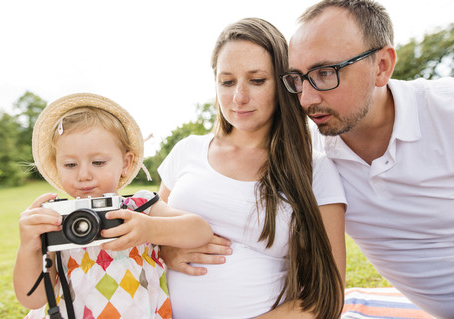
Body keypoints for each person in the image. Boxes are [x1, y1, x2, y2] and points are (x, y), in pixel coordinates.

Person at [158, 18, 347, 319]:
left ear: (284, 84)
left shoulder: (314, 169)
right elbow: (152, 233)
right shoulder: (187, 151)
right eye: (228, 81)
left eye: (257, 81)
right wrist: (165, 251)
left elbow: (329, 297)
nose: (239, 98)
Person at [280, 1, 454, 318]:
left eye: (325, 72)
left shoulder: (446, 111)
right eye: (298, 78)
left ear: (382, 66)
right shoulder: (310, 155)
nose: (306, 98)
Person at [13, 93, 213, 319]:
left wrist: (149, 228)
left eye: (98, 162)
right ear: (56, 166)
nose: (84, 175)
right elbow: (33, 299)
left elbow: (200, 230)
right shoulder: (58, 221)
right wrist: (29, 247)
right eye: (70, 164)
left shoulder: (139, 207)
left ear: (126, 164)